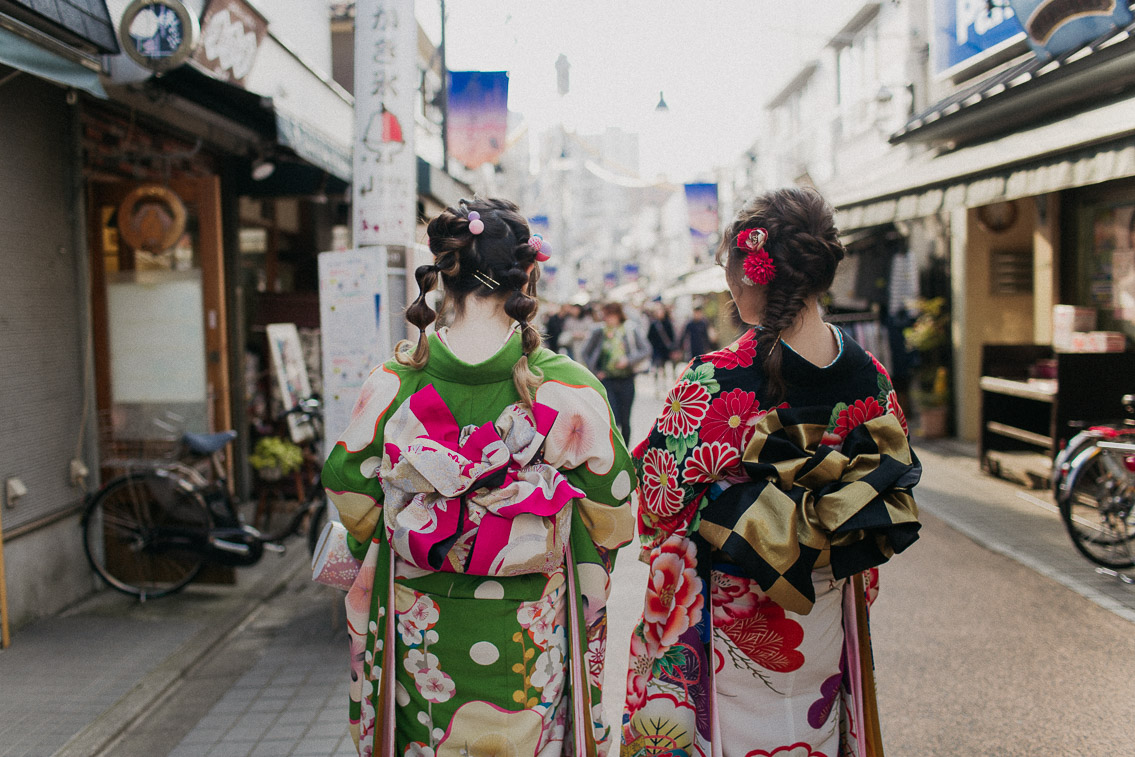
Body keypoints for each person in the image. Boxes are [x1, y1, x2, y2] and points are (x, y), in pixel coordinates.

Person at [321, 198, 636, 756]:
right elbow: (612, 509)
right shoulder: (568, 387)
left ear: (444, 272)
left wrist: (420, 523)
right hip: (530, 620)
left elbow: (349, 490)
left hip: (423, 618)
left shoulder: (394, 383)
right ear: (528, 274)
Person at [621, 187, 922, 756]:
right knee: (810, 732)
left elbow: (661, 502)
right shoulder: (870, 376)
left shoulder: (716, 379)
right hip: (825, 602)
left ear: (750, 273)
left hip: (731, 610)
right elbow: (892, 481)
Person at [581, 302, 650, 443]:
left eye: (610, 315)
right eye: (605, 316)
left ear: (618, 315)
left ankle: (626, 451)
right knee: (612, 418)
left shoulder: (630, 330)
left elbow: (646, 349)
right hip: (607, 381)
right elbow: (585, 352)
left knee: (625, 419)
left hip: (627, 379)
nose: (607, 319)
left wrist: (628, 360)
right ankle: (613, 452)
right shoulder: (599, 332)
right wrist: (595, 371)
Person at [645, 303, 676, 384]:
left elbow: (672, 336)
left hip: (666, 349)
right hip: (657, 349)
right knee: (657, 366)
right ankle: (658, 383)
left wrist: (673, 347)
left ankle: (665, 382)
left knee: (666, 366)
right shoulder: (654, 324)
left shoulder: (667, 322)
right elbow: (649, 337)